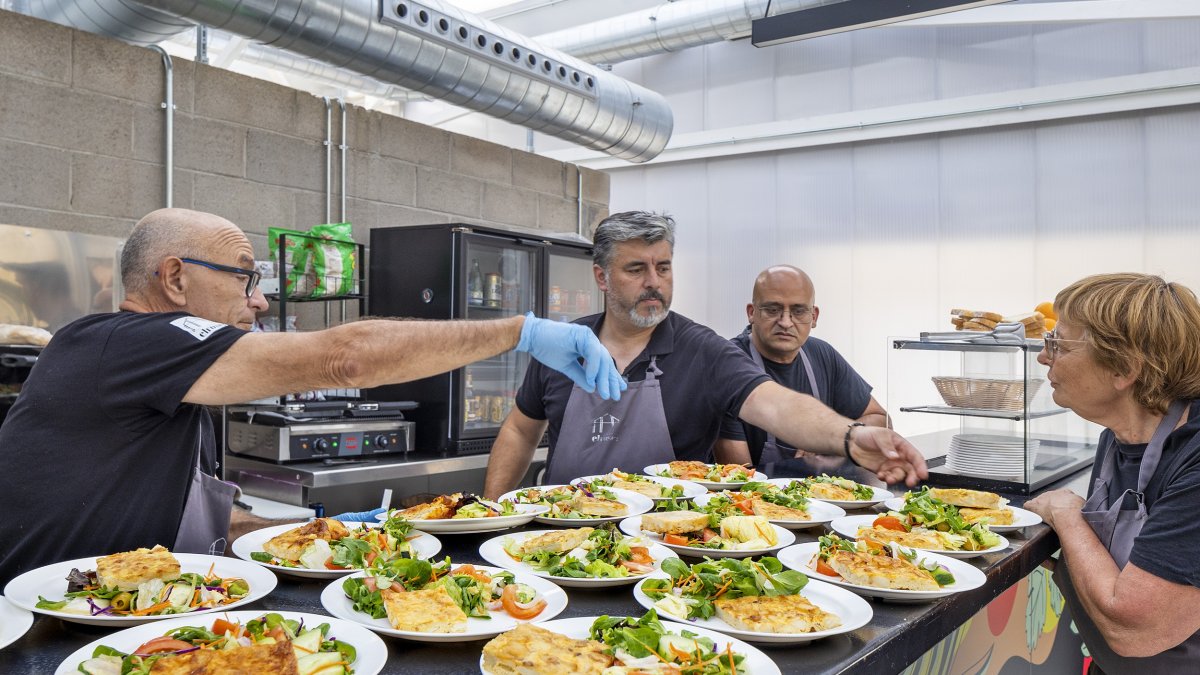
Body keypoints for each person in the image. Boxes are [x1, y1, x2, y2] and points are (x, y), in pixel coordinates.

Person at [0, 208, 624, 585]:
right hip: (49, 628)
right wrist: (521, 331)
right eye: (245, 276)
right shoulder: (113, 342)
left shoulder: (166, 381)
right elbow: (343, 357)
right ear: (174, 277)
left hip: (134, 603)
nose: (261, 299)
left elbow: (189, 519)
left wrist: (315, 530)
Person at [483, 211, 927, 499]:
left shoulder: (703, 351)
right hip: (557, 537)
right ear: (602, 277)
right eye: (636, 269)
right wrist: (491, 513)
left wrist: (851, 437)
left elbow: (775, 403)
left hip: (664, 548)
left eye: (664, 266)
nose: (654, 281)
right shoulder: (563, 347)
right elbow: (521, 430)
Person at [1023, 273, 1200, 673]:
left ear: (1124, 368)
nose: (1043, 356)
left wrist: (1068, 514)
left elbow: (1136, 627)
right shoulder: (1117, 439)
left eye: (1058, 343)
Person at [713, 265, 890, 480]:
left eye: (798, 311)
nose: (786, 322)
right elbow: (738, 478)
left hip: (820, 497)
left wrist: (835, 440)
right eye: (772, 309)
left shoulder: (822, 355)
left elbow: (881, 420)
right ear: (752, 313)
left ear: (814, 316)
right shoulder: (729, 365)